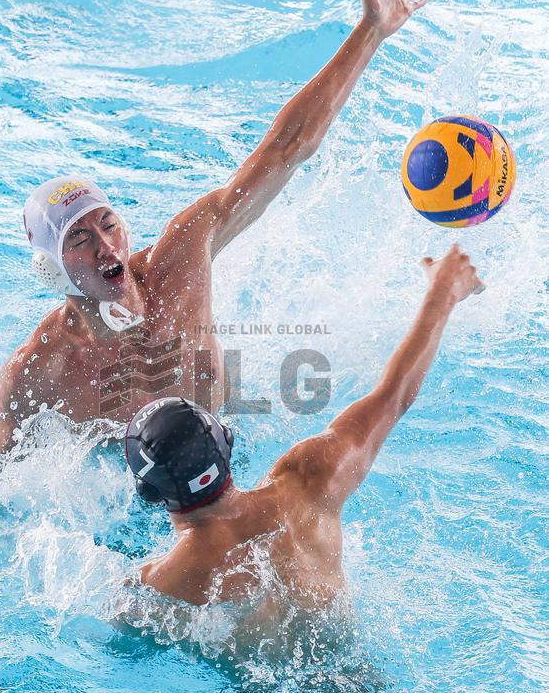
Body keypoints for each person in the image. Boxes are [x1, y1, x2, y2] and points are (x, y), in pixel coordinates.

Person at [0, 0, 426, 454]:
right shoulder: (38, 371)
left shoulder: (183, 258)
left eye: (108, 223)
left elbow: (284, 151)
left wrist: (370, 32)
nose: (106, 245)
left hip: (231, 450)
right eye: (79, 237)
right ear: (50, 269)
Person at [125, 246, 483, 608]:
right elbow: (395, 395)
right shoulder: (309, 480)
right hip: (354, 664)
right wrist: (444, 291)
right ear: (227, 443)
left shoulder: (159, 586)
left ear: (149, 493)